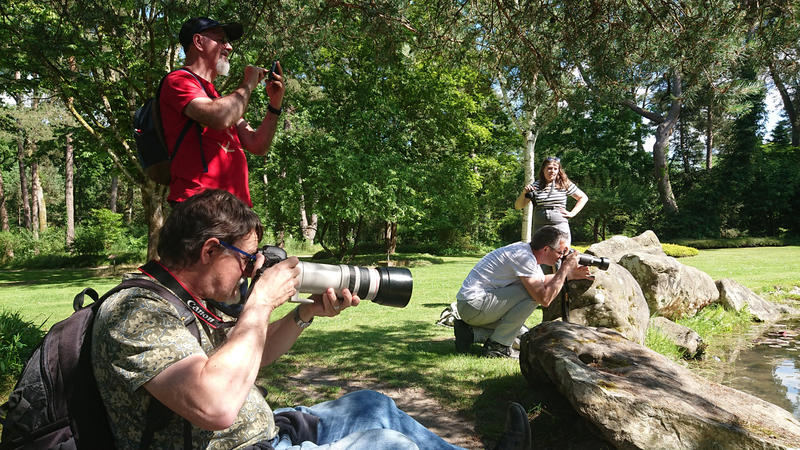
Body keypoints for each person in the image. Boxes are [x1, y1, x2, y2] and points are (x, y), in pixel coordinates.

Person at [92, 189, 531, 450]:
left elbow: (247, 359)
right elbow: (216, 406)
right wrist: (260, 302)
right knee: (387, 446)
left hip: (269, 428)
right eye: (246, 259)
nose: (251, 271)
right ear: (209, 250)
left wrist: (304, 314)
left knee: (372, 405)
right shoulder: (135, 312)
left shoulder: (184, 298)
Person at [159, 17, 285, 206]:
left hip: (235, 210)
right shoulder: (178, 80)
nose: (229, 47)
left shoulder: (218, 99)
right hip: (200, 205)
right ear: (198, 42)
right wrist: (249, 82)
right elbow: (221, 117)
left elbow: (258, 144)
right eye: (221, 40)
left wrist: (275, 104)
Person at [453, 226, 593, 358]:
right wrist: (565, 269)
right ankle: (497, 346)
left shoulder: (526, 252)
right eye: (560, 252)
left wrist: (571, 275)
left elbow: (542, 280)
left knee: (524, 334)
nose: (561, 257)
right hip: (474, 305)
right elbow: (544, 299)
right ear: (545, 249)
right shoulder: (524, 257)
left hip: (474, 306)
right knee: (533, 295)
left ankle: (469, 333)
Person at [514, 156, 588, 245]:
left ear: (558, 171)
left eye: (555, 169)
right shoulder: (535, 186)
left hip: (559, 223)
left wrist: (572, 213)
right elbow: (518, 206)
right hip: (540, 225)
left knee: (562, 249)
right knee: (539, 251)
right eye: (549, 168)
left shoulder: (564, 183)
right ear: (543, 170)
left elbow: (583, 198)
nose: (552, 171)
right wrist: (524, 193)